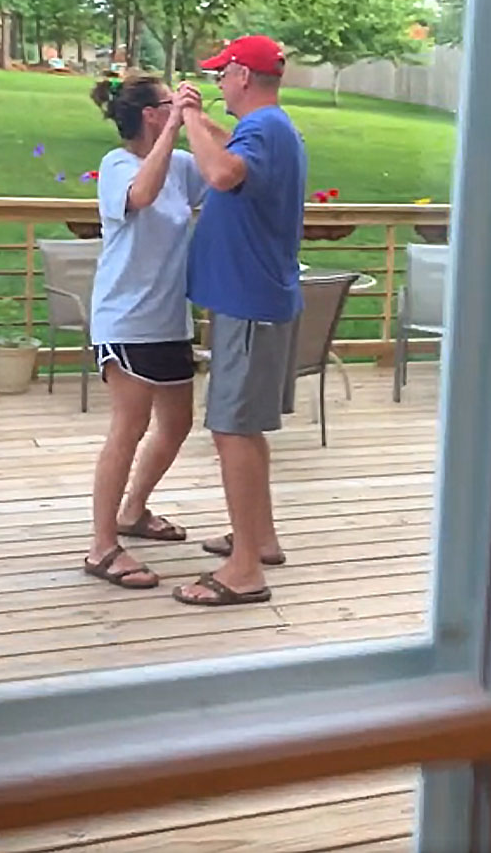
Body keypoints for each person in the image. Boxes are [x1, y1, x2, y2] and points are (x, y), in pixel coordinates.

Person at [174, 34, 307, 607]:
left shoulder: (268, 128)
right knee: (245, 427)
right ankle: (261, 538)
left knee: (231, 430)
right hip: (252, 301)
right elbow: (235, 158)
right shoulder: (271, 129)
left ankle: (245, 570)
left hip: (249, 304)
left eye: (221, 73)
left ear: (243, 76)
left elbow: (223, 174)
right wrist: (203, 122)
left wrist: (188, 124)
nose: (218, 83)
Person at [85, 74, 207, 589]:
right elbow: (143, 193)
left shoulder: (181, 164)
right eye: (167, 103)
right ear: (151, 116)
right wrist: (176, 126)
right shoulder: (118, 167)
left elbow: (227, 171)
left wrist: (202, 119)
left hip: (169, 319)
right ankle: (101, 547)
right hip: (126, 319)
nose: (173, 108)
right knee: (128, 427)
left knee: (176, 424)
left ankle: (133, 512)